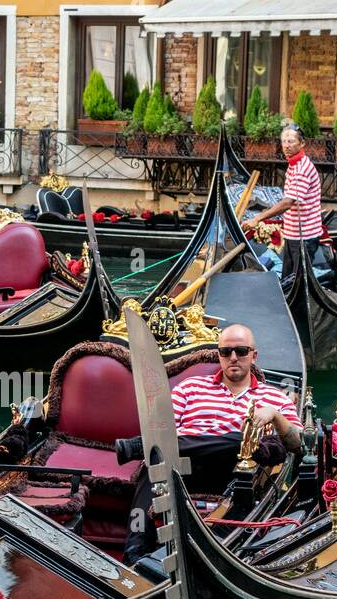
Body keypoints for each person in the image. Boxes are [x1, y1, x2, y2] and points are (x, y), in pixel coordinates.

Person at [120, 323, 303, 564]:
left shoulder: (273, 398)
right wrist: (159, 446)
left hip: (233, 471)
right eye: (226, 352)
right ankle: (134, 551)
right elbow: (162, 431)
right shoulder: (189, 388)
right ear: (219, 355)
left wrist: (275, 415)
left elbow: (297, 444)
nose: (233, 358)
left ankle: (137, 446)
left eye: (241, 351)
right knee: (154, 460)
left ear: (254, 356)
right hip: (183, 465)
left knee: (241, 439)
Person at [242, 125, 323, 282]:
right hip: (293, 234)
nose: (286, 145)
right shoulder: (293, 165)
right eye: (284, 141)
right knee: (288, 278)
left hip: (304, 236)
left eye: (291, 141)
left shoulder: (302, 168)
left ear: (302, 144)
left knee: (298, 281)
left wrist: (257, 219)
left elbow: (287, 203)